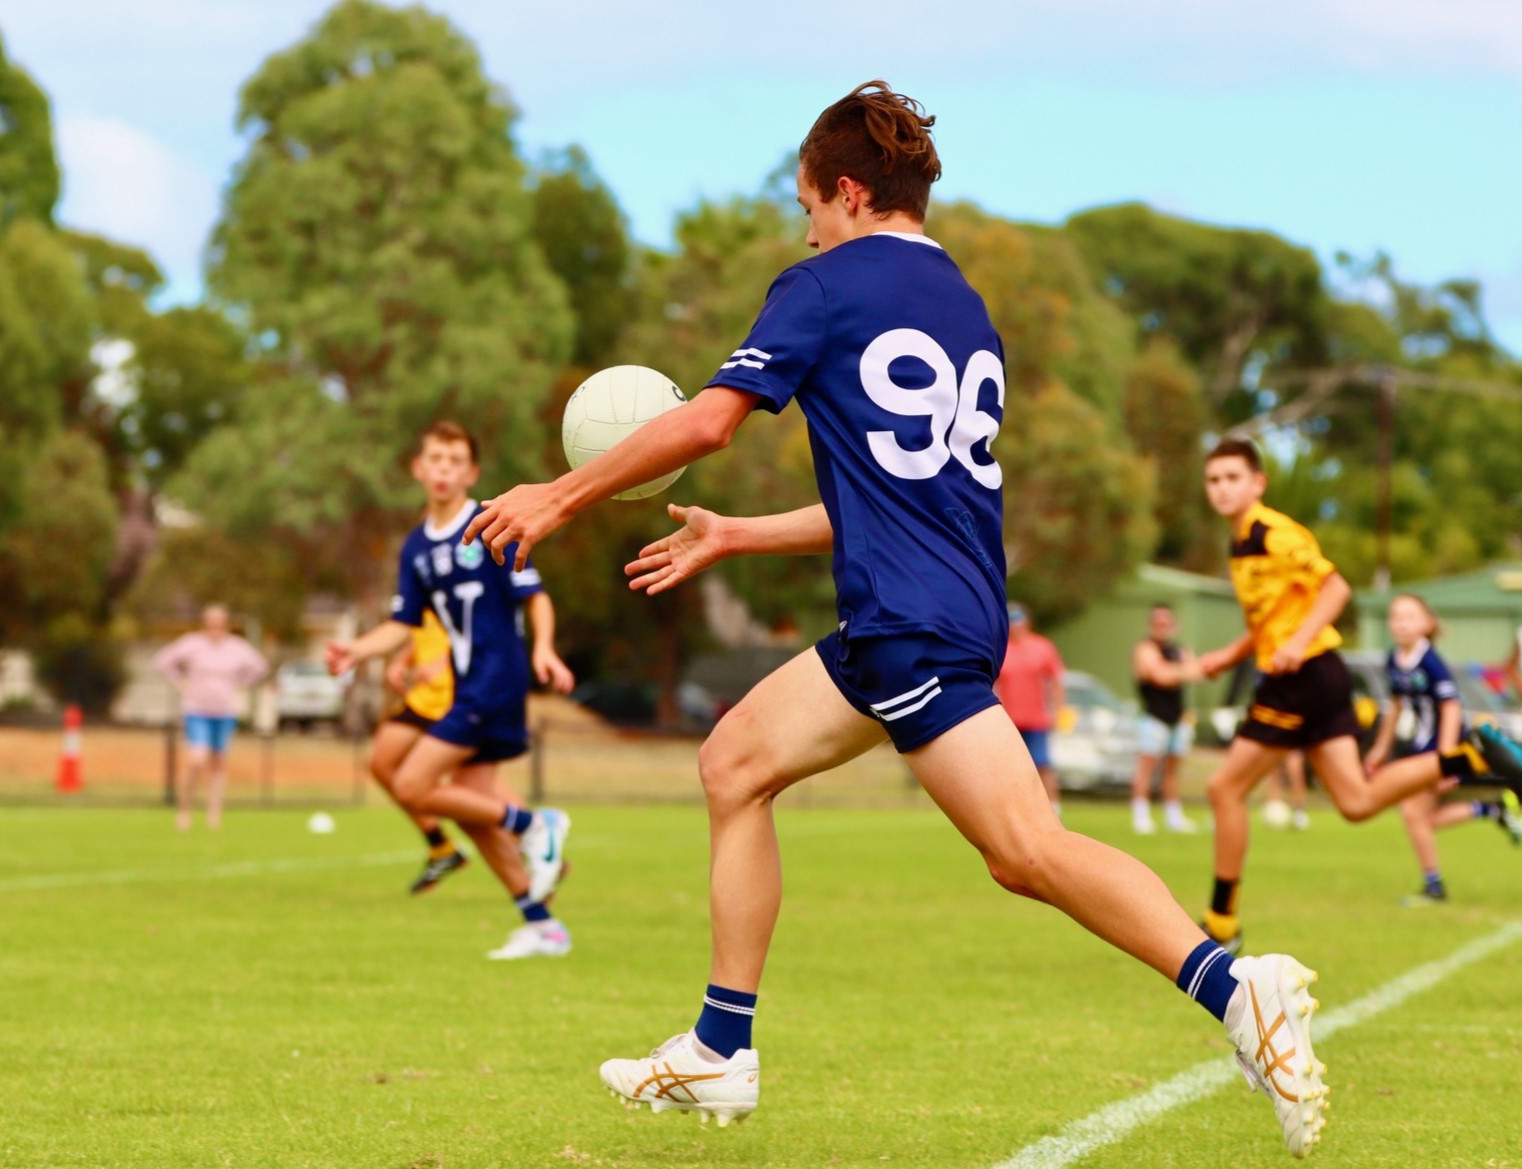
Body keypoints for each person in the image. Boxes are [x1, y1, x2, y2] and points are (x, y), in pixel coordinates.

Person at [462, 83, 1329, 1155]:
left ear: (843, 190)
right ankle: (718, 1046)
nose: (805, 228)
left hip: (905, 622)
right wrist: (734, 535)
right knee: (733, 762)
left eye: (806, 206)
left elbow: (707, 420)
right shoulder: (967, 309)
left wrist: (557, 495)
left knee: (1023, 848)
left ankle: (1234, 988)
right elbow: (883, 498)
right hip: (932, 608)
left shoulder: (821, 285)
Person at [1192, 438, 1522, 954]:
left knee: (1223, 790)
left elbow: (1337, 590)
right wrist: (1228, 657)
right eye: (1213, 480)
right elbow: (1269, 622)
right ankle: (1470, 755)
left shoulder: (1275, 533)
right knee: (1356, 802)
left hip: (1303, 677)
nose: (1221, 488)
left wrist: (1297, 646)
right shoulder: (1238, 544)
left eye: (1232, 477)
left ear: (1258, 483)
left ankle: (1222, 922)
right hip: (1312, 676)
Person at [326, 421, 575, 960]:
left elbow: (535, 594)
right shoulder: (416, 547)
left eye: (454, 461)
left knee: (413, 784)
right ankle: (542, 926)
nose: (443, 469)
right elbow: (405, 624)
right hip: (470, 684)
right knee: (471, 808)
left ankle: (537, 824)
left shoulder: (490, 523)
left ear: (472, 472)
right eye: (434, 459)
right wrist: (357, 651)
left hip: (495, 679)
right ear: (419, 468)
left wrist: (544, 649)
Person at [371, 601, 550, 895]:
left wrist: (440, 662)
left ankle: (534, 836)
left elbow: (472, 624)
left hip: (453, 690)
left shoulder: (460, 562)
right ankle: (445, 845)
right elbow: (422, 625)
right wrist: (405, 660)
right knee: (387, 766)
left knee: (465, 784)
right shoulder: (419, 561)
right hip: (425, 694)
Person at [1364, 594, 1521, 904]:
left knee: (1413, 813)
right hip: (1421, 748)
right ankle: (1490, 810)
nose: (1402, 623)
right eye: (1396, 617)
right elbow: (1395, 706)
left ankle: (1434, 886)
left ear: (1427, 623)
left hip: (1442, 748)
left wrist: (1446, 759)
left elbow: (1451, 708)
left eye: (1410, 617)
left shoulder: (1431, 661)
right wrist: (1380, 748)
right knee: (1423, 818)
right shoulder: (1393, 660)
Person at [155, 605, 269, 831]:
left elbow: (260, 667)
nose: (215, 629)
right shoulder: (192, 644)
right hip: (197, 711)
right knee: (197, 761)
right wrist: (180, 682)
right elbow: (163, 661)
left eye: (219, 624)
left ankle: (213, 815)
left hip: (224, 713)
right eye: (210, 624)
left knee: (218, 765)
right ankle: (184, 811)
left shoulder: (237, 648)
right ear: (204, 625)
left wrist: (240, 683)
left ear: (226, 626)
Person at [1129, 602, 1200, 835]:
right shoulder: (1144, 648)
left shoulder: (1179, 649)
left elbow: (1195, 672)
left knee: (1173, 770)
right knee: (1146, 768)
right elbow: (1158, 676)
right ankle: (1140, 815)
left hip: (1177, 719)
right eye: (1157, 622)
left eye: (1166, 622)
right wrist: (1182, 670)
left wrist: (1176, 671)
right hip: (1153, 718)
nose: (1162, 626)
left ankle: (1173, 816)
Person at [995, 602, 1066, 817]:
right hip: (1010, 719)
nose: (1015, 625)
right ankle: (1014, 811)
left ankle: (1054, 808)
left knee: (1042, 764)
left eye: (1019, 619)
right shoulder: (1001, 648)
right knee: (1010, 768)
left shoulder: (1042, 647)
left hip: (1037, 719)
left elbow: (1056, 681)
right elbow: (994, 683)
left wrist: (1059, 711)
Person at [1261, 752, 1310, 831]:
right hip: (1274, 744)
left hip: (1294, 744)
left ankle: (1299, 812)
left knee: (1295, 769)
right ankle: (1273, 808)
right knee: (1274, 772)